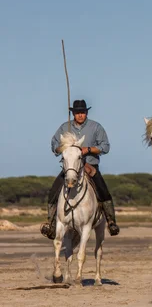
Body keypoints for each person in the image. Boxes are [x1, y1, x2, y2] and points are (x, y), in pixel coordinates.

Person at [40, 99, 120, 239]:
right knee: (53, 191)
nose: (80, 115)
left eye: (82, 112)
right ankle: (51, 224)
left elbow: (105, 147)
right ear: (73, 113)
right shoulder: (65, 127)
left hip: (90, 166)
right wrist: (62, 148)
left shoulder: (96, 127)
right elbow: (54, 146)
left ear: (87, 112)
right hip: (70, 167)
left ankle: (111, 221)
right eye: (77, 113)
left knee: (103, 190)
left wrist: (87, 149)